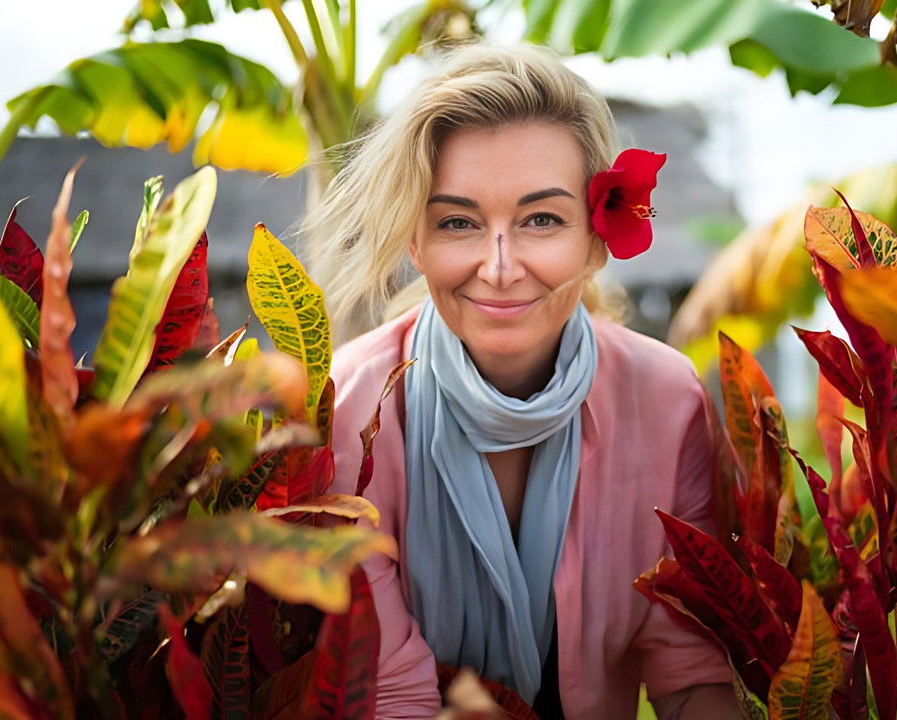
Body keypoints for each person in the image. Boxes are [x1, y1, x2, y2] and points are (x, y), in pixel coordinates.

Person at [311, 43, 740, 719]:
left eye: (541, 219)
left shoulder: (665, 400)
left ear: (596, 236)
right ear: (415, 241)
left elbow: (691, 674)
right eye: (458, 222)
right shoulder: (354, 407)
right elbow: (387, 690)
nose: (500, 266)